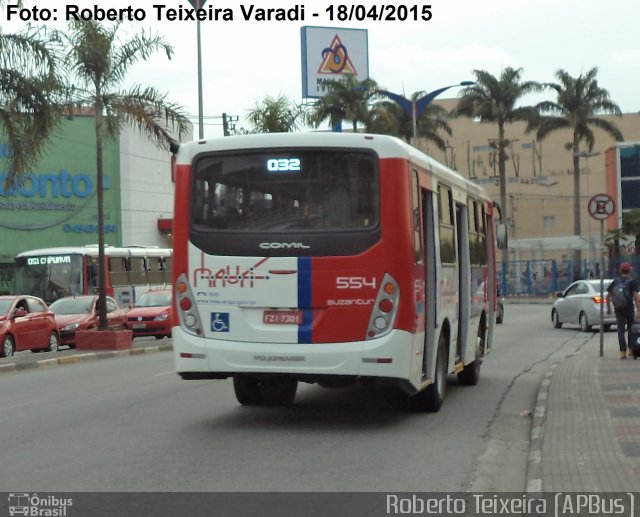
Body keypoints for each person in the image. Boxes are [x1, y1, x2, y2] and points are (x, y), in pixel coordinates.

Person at [607, 262, 640, 359]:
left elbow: (608, 296)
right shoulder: (632, 282)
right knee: (631, 329)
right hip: (629, 308)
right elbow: (636, 297)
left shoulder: (615, 282)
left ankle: (622, 352)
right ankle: (631, 349)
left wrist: (609, 308)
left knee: (620, 330)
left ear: (620, 271)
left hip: (618, 309)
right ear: (629, 271)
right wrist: (638, 310)